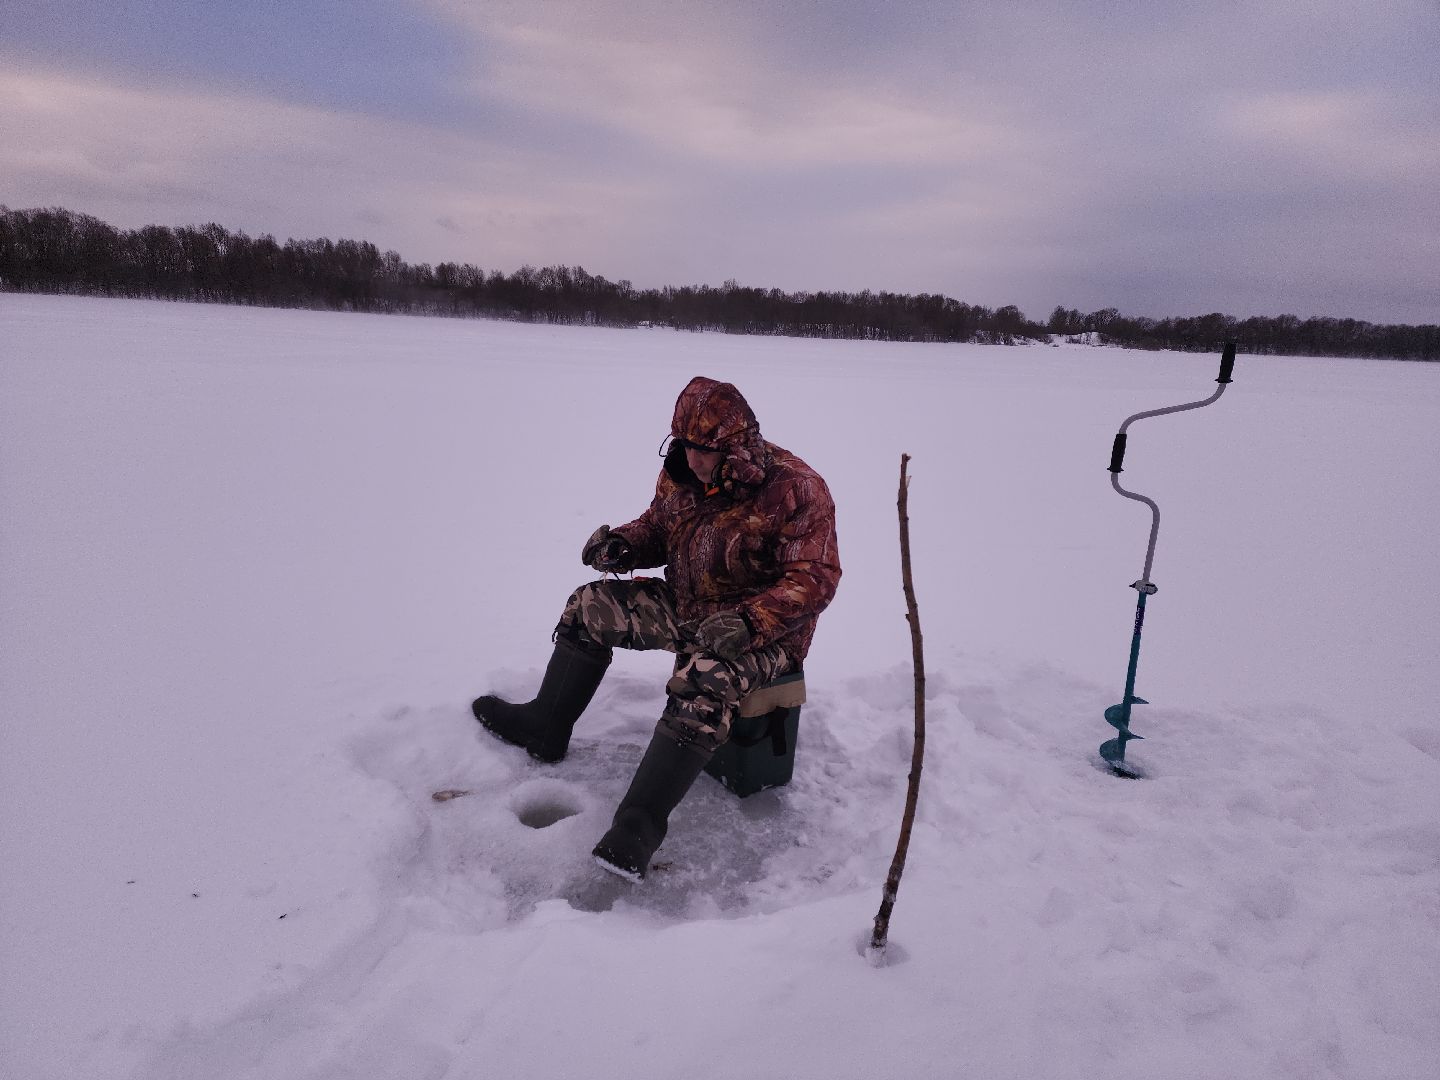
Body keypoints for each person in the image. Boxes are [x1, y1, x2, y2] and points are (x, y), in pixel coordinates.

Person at [471, 375, 841, 881]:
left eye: (704, 450)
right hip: (689, 602)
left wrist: (750, 621)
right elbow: (658, 527)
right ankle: (545, 726)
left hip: (767, 630)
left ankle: (638, 825)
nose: (692, 459)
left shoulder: (796, 489)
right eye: (684, 446)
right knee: (588, 606)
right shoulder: (683, 473)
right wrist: (622, 544)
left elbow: (815, 579)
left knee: (704, 679)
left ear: (734, 445)